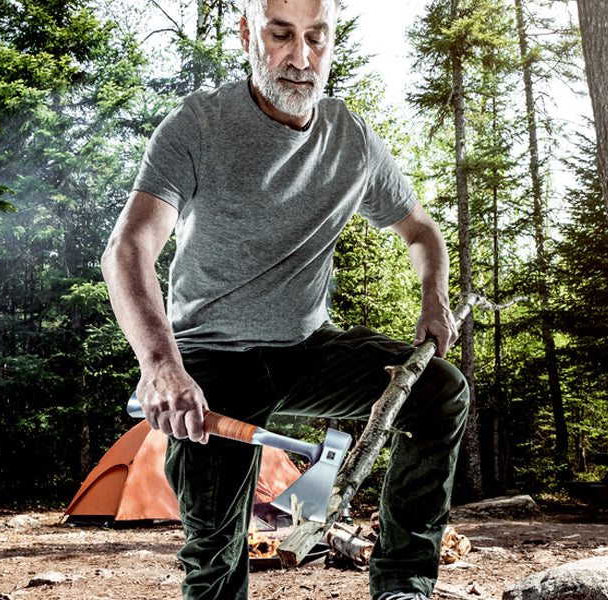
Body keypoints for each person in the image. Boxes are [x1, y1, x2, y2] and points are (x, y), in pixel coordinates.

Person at [100, 0, 469, 598]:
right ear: (248, 34)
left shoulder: (352, 140)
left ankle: (403, 583)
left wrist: (434, 298)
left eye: (316, 38)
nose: (301, 59)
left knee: (439, 390)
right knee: (213, 553)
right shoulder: (197, 126)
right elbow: (127, 249)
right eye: (281, 35)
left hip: (307, 348)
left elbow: (422, 231)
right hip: (211, 360)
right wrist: (162, 366)